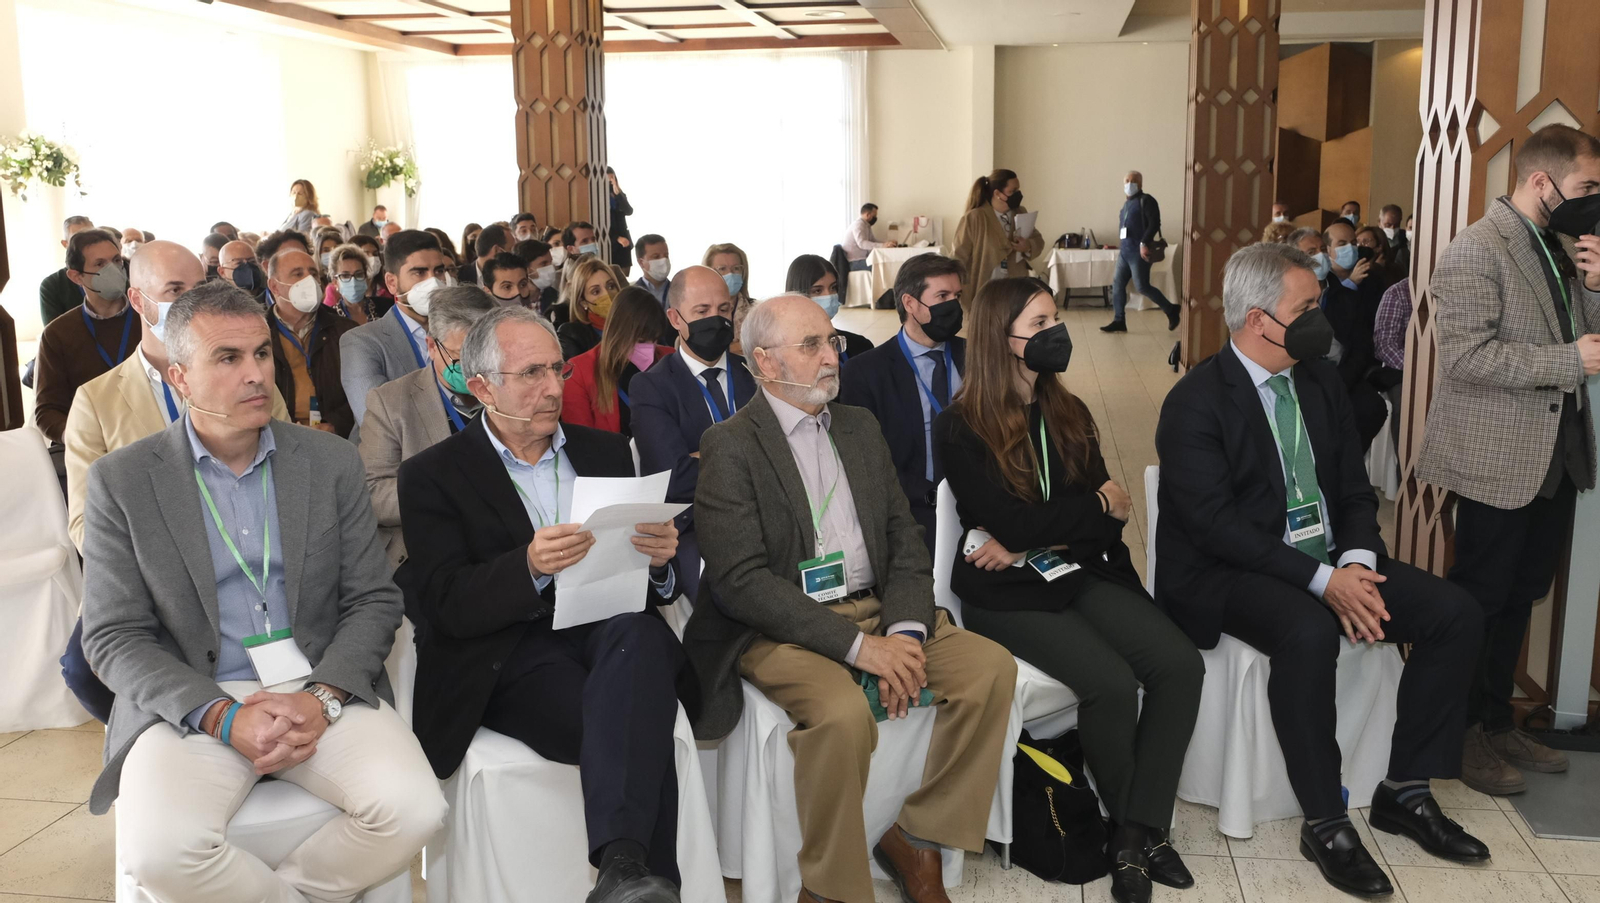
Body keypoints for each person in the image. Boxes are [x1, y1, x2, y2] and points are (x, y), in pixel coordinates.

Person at [78, 279, 447, 900]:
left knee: (415, 810)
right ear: (179, 378)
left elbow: (373, 599)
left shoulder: (329, 461)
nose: (255, 374)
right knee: (161, 856)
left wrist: (323, 696)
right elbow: (113, 636)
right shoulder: (124, 480)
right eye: (227, 358)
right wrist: (221, 716)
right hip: (193, 699)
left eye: (261, 353)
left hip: (318, 684)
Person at [1155, 242, 1489, 898]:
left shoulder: (1319, 380)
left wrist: (1356, 563)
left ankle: (1405, 789)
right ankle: (1326, 822)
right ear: (1258, 320)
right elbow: (1218, 528)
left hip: (1329, 558)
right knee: (1308, 630)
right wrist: (1325, 583)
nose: (1322, 319)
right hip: (1225, 571)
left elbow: (1354, 491)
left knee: (1455, 613)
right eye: (1307, 308)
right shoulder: (1195, 401)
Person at [684, 293, 1018, 903]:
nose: (831, 357)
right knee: (840, 715)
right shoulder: (731, 444)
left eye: (832, 341)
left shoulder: (860, 426)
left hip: (880, 607)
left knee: (991, 669)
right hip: (782, 626)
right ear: (765, 361)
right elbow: (742, 583)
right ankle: (829, 887)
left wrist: (906, 635)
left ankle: (918, 838)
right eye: (811, 345)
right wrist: (861, 649)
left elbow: (905, 541)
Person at [398, 305, 688, 903]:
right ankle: (638, 875)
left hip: (609, 627)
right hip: (509, 652)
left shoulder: (607, 451)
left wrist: (659, 563)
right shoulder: (434, 474)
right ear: (482, 387)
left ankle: (624, 873)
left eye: (558, 369)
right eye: (532, 373)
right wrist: (528, 567)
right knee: (634, 718)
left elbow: (647, 581)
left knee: (642, 639)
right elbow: (445, 602)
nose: (554, 388)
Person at [936, 276, 1203, 903]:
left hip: (1076, 570)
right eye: (1039, 324)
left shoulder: (1069, 412)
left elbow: (1111, 514)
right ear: (999, 339)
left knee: (1179, 664)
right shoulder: (961, 427)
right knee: (1109, 682)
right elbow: (1037, 519)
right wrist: (1071, 519)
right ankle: (1141, 834)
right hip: (1004, 592)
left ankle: (1133, 832)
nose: (1055, 333)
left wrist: (1043, 537)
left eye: (1054, 319)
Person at [1417, 124, 1600, 795]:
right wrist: (1566, 361)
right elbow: (1467, 357)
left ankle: (1498, 721)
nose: (1595, 200)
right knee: (1481, 599)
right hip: (1497, 456)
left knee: (1522, 595)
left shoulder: (1559, 246)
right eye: (1587, 186)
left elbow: (1588, 336)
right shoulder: (1476, 247)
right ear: (1542, 182)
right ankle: (1460, 732)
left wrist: (1597, 283)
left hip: (1556, 455)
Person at [61, 242, 290, 723]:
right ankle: (156, 727)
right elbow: (85, 523)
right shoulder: (97, 400)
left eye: (200, 287)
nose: (193, 301)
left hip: (252, 556)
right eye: (175, 290)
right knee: (84, 668)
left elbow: (288, 471)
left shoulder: (252, 381)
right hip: (152, 577)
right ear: (139, 301)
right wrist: (175, 560)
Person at [630, 265, 758, 603]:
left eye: (723, 309)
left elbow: (786, 452)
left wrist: (704, 455)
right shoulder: (652, 386)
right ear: (675, 318)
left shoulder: (757, 374)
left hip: (769, 515)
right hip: (697, 528)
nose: (715, 319)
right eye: (702, 311)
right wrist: (752, 454)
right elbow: (674, 479)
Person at [838, 254, 966, 556]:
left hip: (979, 503)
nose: (954, 305)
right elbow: (864, 460)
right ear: (910, 303)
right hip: (911, 508)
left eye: (957, 296)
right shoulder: (866, 372)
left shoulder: (978, 357)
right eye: (942, 296)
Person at [359, 284, 493, 571]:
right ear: (432, 346)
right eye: (460, 358)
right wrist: (449, 495)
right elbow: (373, 493)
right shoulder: (390, 403)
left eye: (482, 357)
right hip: (425, 551)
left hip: (503, 541)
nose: (473, 371)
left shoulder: (509, 389)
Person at [340, 229, 454, 429]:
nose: (433, 282)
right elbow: (377, 422)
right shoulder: (361, 342)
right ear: (392, 283)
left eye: (438, 271)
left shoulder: (460, 332)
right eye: (419, 272)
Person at [33, 230, 138, 443]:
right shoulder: (57, 334)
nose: (113, 270)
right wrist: (82, 440)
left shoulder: (147, 317)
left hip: (149, 433)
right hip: (91, 441)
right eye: (100, 264)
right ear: (76, 276)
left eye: (116, 260)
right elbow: (48, 411)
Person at [265, 248, 359, 438]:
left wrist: (335, 425)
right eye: (298, 274)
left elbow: (362, 391)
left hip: (337, 438)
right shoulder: (259, 334)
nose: (310, 280)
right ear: (274, 286)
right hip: (278, 437)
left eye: (314, 273)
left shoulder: (346, 331)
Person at [562, 286, 673, 435]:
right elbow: (581, 439)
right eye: (641, 340)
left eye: (654, 339)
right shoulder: (579, 373)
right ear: (619, 332)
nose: (649, 347)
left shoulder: (669, 358)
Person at [953, 168, 1045, 308]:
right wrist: (954, 287)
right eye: (1012, 191)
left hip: (1015, 285)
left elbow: (1038, 240)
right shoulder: (975, 217)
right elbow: (958, 256)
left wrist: (1028, 246)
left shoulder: (1020, 212)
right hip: (984, 287)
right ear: (997, 193)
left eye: (1018, 190)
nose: (1018, 194)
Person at [1103, 171, 1182, 333]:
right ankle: (1119, 320)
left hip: (1139, 253)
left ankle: (1171, 309)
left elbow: (1155, 224)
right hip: (1124, 253)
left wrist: (1144, 243)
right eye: (1127, 180)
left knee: (1142, 286)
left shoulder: (1147, 200)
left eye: (1133, 181)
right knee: (1117, 284)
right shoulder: (1126, 205)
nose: (1129, 183)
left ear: (1140, 184)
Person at [784, 254, 873, 361]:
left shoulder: (859, 347)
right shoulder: (783, 350)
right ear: (797, 295)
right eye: (817, 291)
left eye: (833, 288)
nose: (829, 296)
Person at [557, 255, 619, 360]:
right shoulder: (572, 335)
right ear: (583, 302)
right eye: (596, 291)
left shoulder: (636, 323)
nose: (607, 294)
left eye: (611, 286)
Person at [39, 215, 98, 326]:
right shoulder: (51, 285)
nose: (87, 243)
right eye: (78, 238)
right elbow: (53, 331)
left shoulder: (110, 274)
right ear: (65, 244)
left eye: (92, 237)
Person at [323, 243, 391, 325]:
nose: (353, 281)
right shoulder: (330, 319)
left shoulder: (387, 307)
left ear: (366, 278)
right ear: (335, 282)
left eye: (359, 274)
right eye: (345, 275)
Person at [842, 203, 897, 271]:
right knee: (881, 266)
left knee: (885, 262)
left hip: (862, 259)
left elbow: (873, 240)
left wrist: (887, 243)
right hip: (854, 262)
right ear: (868, 215)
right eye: (874, 216)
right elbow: (862, 243)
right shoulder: (858, 225)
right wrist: (883, 245)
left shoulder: (866, 225)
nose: (875, 218)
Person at [516, 238, 562, 318]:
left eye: (550, 262)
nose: (551, 268)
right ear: (526, 270)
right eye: (544, 264)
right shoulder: (514, 300)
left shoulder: (555, 295)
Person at [703, 242, 751, 313]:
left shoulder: (757, 311)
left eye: (736, 268)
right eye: (722, 269)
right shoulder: (698, 311)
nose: (730, 273)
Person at [608, 167, 635, 276]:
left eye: (612, 179)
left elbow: (629, 211)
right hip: (610, 240)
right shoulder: (597, 198)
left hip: (624, 240)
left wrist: (618, 194)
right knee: (612, 275)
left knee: (624, 275)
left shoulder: (619, 195)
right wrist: (616, 238)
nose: (610, 182)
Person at [634, 234, 672, 307]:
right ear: (641, 262)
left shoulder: (680, 291)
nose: (663, 260)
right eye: (656, 257)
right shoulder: (631, 296)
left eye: (666, 255)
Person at [1380, 204, 1410, 276]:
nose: (1392, 228)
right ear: (1380, 222)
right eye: (1388, 225)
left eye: (1396, 225)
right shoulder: (1375, 240)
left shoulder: (1405, 240)